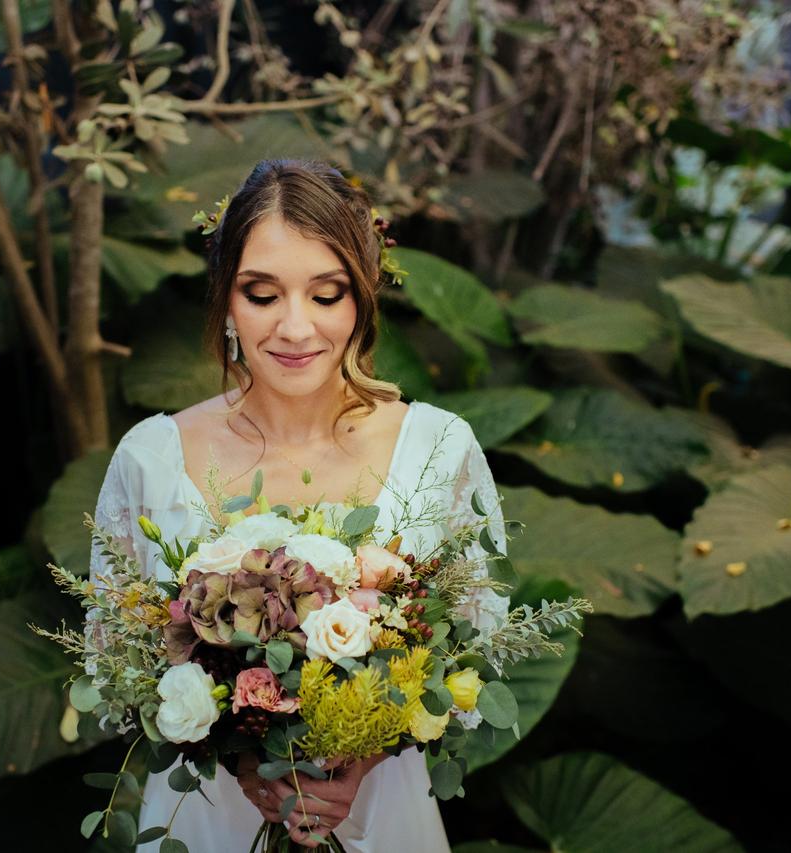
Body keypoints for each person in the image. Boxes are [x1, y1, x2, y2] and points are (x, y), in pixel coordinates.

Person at [85, 159, 510, 852]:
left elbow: (474, 654)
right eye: (261, 293)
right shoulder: (151, 459)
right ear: (225, 298)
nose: (294, 327)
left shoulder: (438, 448)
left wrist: (357, 758)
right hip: (206, 822)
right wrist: (247, 755)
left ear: (361, 297)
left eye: (326, 293)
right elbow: (115, 669)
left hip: (380, 816)